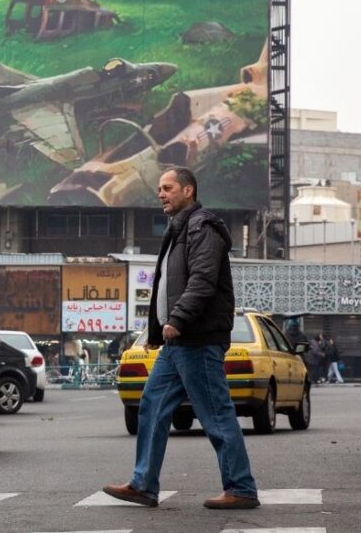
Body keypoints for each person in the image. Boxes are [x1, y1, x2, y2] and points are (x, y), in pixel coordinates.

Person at [103, 167, 260, 510]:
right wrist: (159, 332)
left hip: (198, 339)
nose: (161, 193)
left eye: (168, 188)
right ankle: (143, 484)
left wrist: (178, 319)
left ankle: (241, 488)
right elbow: (168, 286)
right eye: (159, 188)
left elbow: (202, 280)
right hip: (178, 344)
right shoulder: (179, 229)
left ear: (187, 191)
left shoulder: (201, 227)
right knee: (152, 406)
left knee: (215, 413)